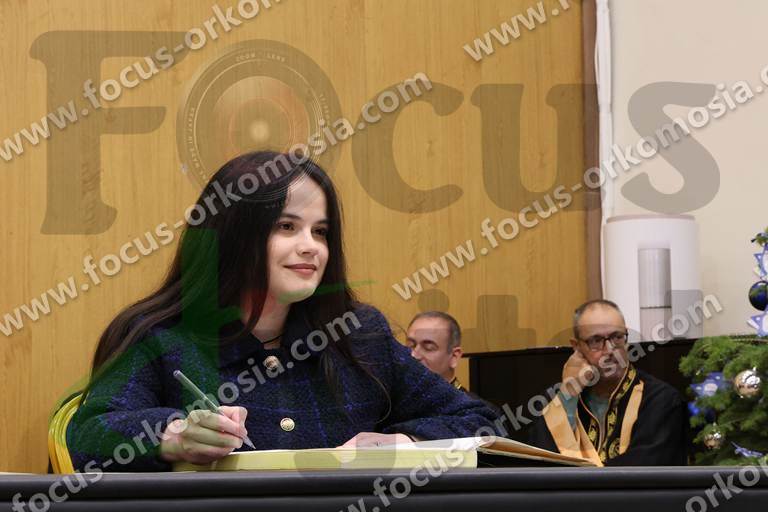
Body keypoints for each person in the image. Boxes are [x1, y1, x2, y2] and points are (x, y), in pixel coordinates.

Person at [66, 151, 499, 471]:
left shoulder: (358, 333)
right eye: (287, 226)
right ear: (233, 234)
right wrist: (175, 434)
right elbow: (88, 435)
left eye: (321, 231)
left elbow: (481, 421)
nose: (311, 246)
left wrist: (404, 442)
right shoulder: (158, 335)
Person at [528, 299, 688, 466]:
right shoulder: (556, 400)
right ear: (576, 347)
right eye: (596, 341)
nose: (610, 350)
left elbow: (645, 468)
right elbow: (541, 463)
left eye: (617, 337)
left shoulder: (661, 400)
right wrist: (569, 395)